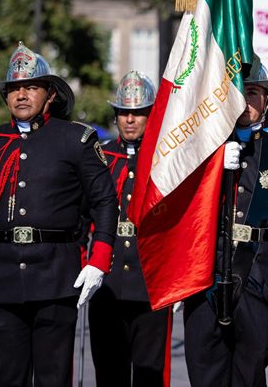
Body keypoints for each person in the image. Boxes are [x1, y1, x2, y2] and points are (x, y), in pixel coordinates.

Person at [0, 42, 119, 387]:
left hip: (56, 275)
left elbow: (104, 200)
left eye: (31, 87)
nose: (21, 95)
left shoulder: (76, 139)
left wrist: (99, 260)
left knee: (52, 378)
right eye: (14, 89)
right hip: (1, 276)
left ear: (50, 94)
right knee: (9, 377)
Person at [183, 58, 268, 387]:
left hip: (260, 284)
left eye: (253, 93)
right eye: (236, 91)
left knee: (249, 376)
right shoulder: (199, 152)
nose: (243, 100)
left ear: (267, 100)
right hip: (205, 282)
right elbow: (181, 212)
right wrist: (212, 167)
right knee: (205, 376)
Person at [88, 70, 172, 386]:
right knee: (109, 374)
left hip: (151, 283)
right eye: (124, 112)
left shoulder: (166, 158)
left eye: (138, 112)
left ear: (151, 115)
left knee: (150, 375)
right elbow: (82, 214)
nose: (130, 119)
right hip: (107, 281)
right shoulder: (100, 157)